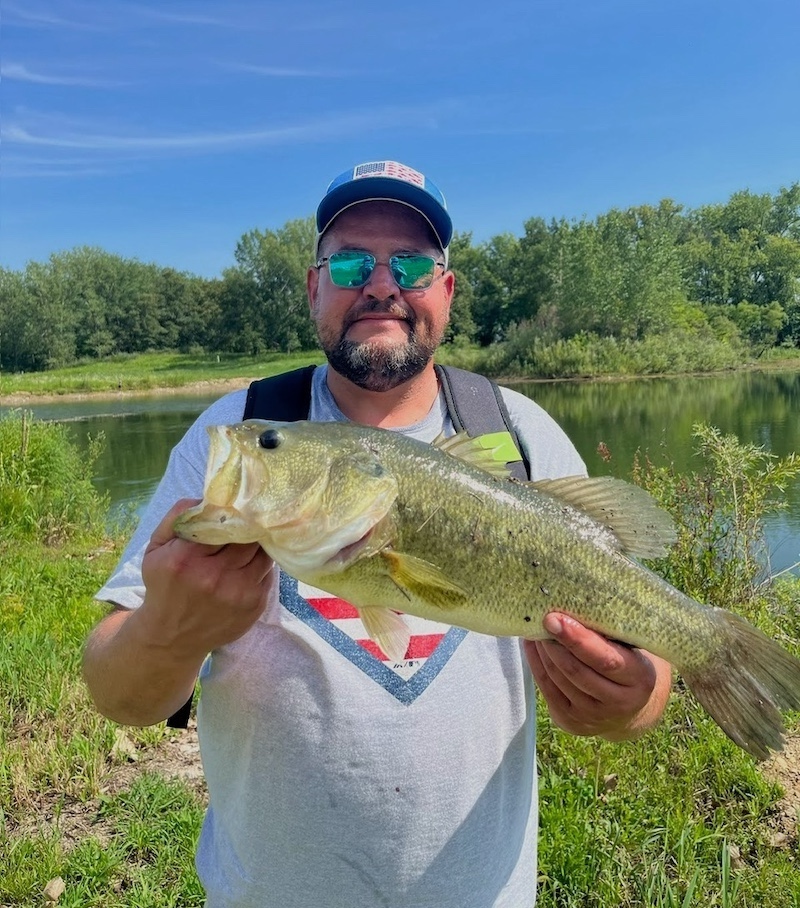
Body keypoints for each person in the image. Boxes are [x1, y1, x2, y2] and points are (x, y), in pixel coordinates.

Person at [83, 160, 672, 908]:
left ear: (446, 292)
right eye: (353, 261)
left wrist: (633, 699)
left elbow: (648, 662)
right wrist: (167, 633)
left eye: (414, 263)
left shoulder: (520, 435)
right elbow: (115, 690)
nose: (382, 284)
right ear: (314, 287)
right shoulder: (228, 433)